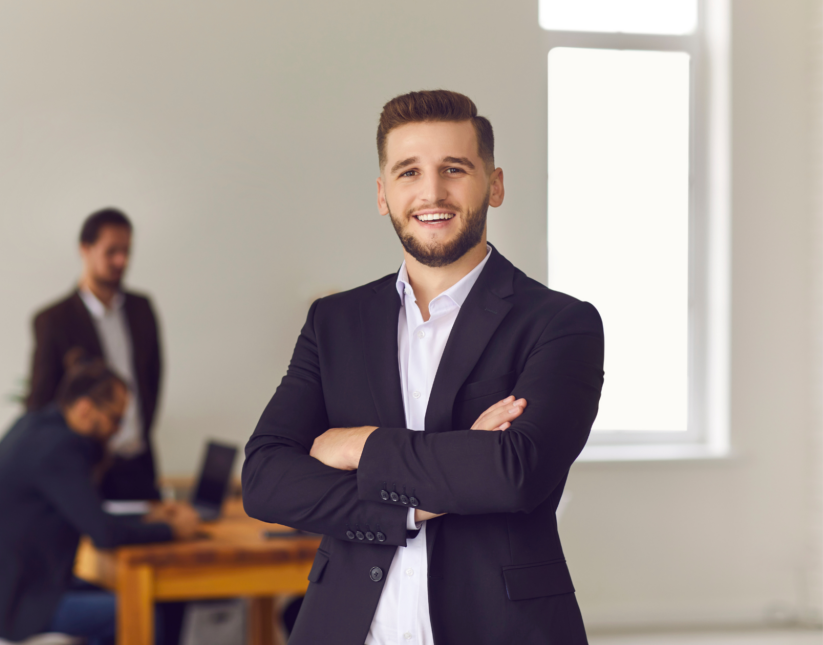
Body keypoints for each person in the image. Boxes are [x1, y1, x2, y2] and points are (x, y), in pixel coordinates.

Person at [242, 90, 604, 644]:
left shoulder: (561, 323)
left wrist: (359, 446)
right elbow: (266, 479)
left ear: (495, 184)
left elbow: (514, 473)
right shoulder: (334, 322)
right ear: (384, 194)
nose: (432, 192)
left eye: (454, 169)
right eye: (409, 172)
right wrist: (440, 484)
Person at [0, 350, 199, 645]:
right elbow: (103, 533)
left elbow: (87, 513)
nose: (117, 431)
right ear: (84, 408)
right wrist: (173, 530)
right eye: (115, 419)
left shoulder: (35, 428)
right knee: (137, 610)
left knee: (129, 597)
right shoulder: (58, 449)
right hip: (9, 603)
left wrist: (147, 518)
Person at [27, 208, 163, 501]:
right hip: (87, 469)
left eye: (127, 251)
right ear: (85, 250)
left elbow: (153, 378)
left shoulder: (142, 309)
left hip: (139, 461)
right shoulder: (54, 321)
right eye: (111, 251)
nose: (121, 261)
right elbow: (40, 402)